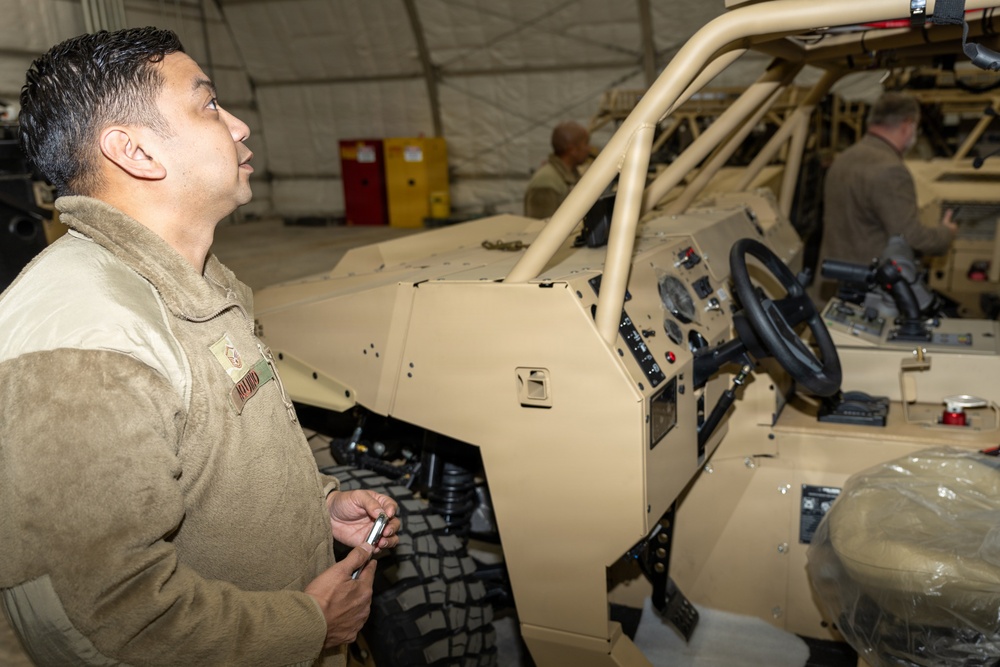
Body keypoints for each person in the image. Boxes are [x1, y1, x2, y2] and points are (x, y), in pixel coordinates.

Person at [0, 27, 400, 666]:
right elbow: (101, 619)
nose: (239, 127)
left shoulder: (197, 281)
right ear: (134, 151)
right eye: (208, 104)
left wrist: (316, 508)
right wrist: (308, 625)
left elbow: (197, 461)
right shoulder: (88, 339)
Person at [817, 91, 956, 299]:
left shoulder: (843, 159)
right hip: (870, 293)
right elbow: (912, 237)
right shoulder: (891, 170)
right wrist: (946, 233)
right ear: (908, 125)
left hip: (836, 283)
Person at [524, 120, 592, 219]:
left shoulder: (571, 175)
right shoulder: (546, 182)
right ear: (572, 150)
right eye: (586, 144)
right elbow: (540, 226)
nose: (589, 149)